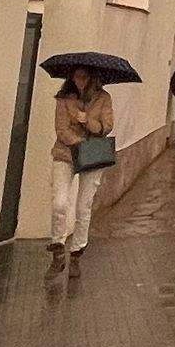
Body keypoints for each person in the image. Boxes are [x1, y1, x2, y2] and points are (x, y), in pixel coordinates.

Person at [48, 66, 113, 278]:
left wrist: (88, 121)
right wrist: (79, 143)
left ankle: (76, 252)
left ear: (91, 78)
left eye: (84, 77)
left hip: (93, 156)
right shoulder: (64, 99)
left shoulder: (103, 98)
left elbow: (107, 126)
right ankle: (57, 247)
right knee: (59, 202)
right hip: (66, 153)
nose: (79, 80)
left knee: (83, 207)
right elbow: (61, 128)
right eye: (76, 76)